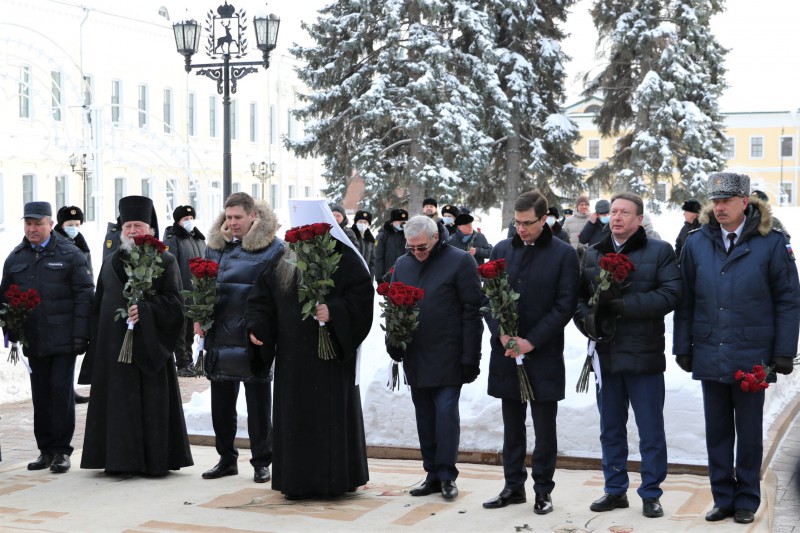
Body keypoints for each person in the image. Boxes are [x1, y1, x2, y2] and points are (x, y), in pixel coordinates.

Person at [673, 173, 800, 525]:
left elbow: (788, 299)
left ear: (745, 202)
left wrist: (784, 351)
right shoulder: (696, 243)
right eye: (715, 201)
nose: (719, 208)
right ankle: (722, 498)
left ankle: (746, 498)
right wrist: (683, 346)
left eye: (726, 201)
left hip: (752, 352)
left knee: (748, 432)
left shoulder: (771, 243)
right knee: (716, 430)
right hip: (711, 348)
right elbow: (686, 300)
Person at [246, 201, 374, 499]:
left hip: (330, 360)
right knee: (296, 420)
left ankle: (336, 479)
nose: (303, 240)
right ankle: (297, 480)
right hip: (293, 359)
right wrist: (257, 327)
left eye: (309, 233)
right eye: (299, 234)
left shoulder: (346, 259)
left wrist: (335, 312)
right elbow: (261, 299)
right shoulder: (281, 260)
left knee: (330, 419)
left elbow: (361, 300)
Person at [574, 192, 681, 519]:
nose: (617, 217)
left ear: (638, 219)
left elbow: (671, 293)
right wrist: (587, 322)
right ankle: (614, 489)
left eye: (625, 213)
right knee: (610, 427)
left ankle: (651, 492)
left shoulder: (660, 251)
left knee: (650, 428)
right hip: (605, 355)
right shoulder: (593, 254)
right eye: (613, 212)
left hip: (644, 354)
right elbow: (578, 298)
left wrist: (625, 307)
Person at [482, 191, 579, 515]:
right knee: (511, 426)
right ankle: (513, 486)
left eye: (528, 223)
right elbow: (489, 300)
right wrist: (502, 333)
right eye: (517, 223)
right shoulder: (501, 249)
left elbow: (565, 305)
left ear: (544, 219)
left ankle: (543, 490)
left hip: (543, 354)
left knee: (544, 427)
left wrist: (531, 341)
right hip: (507, 354)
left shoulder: (564, 254)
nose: (521, 229)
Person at [80, 195, 193, 476]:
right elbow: (99, 304)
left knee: (148, 403)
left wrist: (146, 310)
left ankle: (152, 460)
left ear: (150, 230)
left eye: (138, 226)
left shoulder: (165, 260)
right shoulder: (109, 262)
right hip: (113, 350)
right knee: (117, 405)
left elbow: (176, 305)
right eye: (128, 226)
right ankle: (118, 460)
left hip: (149, 349)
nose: (132, 231)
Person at [388, 215, 483, 501]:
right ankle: (431, 472)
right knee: (425, 416)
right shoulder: (404, 264)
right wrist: (393, 342)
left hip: (450, 353)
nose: (416, 253)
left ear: (436, 238)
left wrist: (471, 357)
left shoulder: (460, 261)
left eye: (422, 248)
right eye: (411, 247)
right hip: (416, 354)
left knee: (445, 413)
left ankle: (447, 474)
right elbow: (393, 309)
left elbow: (472, 311)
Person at [1, 201, 94, 474]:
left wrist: (81, 336)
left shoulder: (69, 254)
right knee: (41, 396)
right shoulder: (16, 257)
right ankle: (45, 450)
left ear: (50, 225)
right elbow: (6, 297)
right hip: (34, 339)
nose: (32, 229)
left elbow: (84, 296)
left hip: (63, 338)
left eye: (38, 224)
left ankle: (62, 451)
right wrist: (12, 331)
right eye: (28, 223)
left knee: (60, 394)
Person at [200, 192, 282, 484]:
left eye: (237, 217)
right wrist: (200, 315)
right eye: (228, 217)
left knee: (258, 403)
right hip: (220, 334)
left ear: (252, 217)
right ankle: (226, 459)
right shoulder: (215, 247)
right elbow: (205, 285)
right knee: (221, 403)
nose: (232, 223)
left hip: (253, 338)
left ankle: (262, 461)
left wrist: (264, 328)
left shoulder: (273, 249)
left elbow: (279, 295)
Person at [54, 205, 93, 404]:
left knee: (70, 351)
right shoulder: (56, 244)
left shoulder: (80, 242)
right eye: (70, 224)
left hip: (76, 305)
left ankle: (68, 388)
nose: (75, 228)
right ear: (61, 225)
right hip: (62, 304)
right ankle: (64, 390)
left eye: (77, 224)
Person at [163, 205, 207, 377]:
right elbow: (170, 265)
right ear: (178, 221)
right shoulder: (172, 239)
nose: (189, 222)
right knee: (181, 329)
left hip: (196, 291)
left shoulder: (197, 238)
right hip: (181, 290)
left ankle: (188, 360)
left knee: (191, 328)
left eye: (191, 219)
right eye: (185, 219)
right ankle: (182, 362)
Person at [374, 208, 408, 282]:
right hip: (389, 276)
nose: (402, 224)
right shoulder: (383, 235)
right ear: (392, 222)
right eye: (399, 221)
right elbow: (378, 258)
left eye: (404, 222)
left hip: (406, 275)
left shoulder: (407, 235)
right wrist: (379, 278)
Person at [352, 209, 376, 280]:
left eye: (365, 222)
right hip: (352, 276)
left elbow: (372, 262)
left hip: (365, 276)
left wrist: (370, 279)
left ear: (368, 224)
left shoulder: (370, 239)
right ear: (356, 222)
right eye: (360, 221)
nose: (362, 224)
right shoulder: (350, 235)